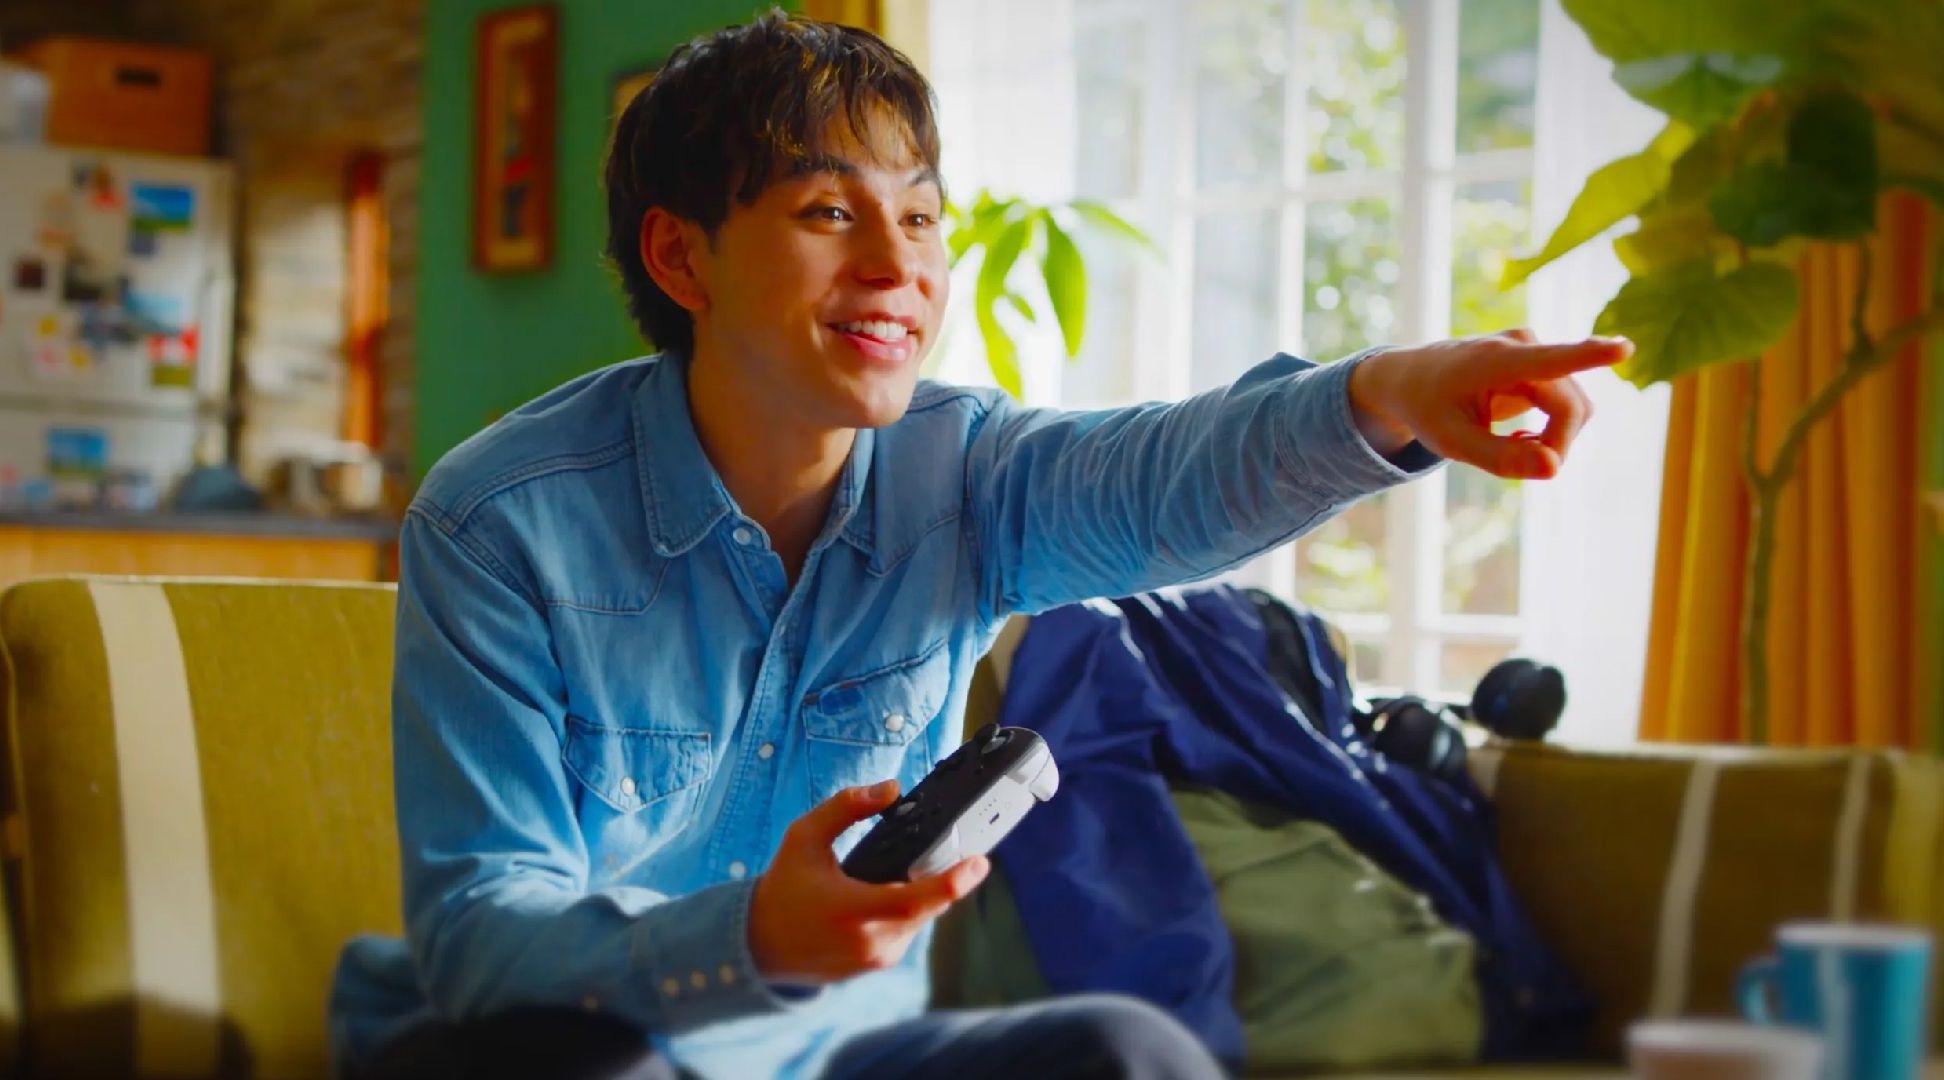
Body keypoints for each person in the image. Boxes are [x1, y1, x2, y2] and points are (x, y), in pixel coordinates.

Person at [327, 10, 1630, 1080]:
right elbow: (483, 931)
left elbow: (1160, 479)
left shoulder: (965, 470)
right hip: (569, 1040)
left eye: (921, 216)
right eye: (828, 213)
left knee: (1130, 1051)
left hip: (833, 1058)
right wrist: (751, 935)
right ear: (682, 257)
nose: (897, 265)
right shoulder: (500, 522)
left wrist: (1390, 396)